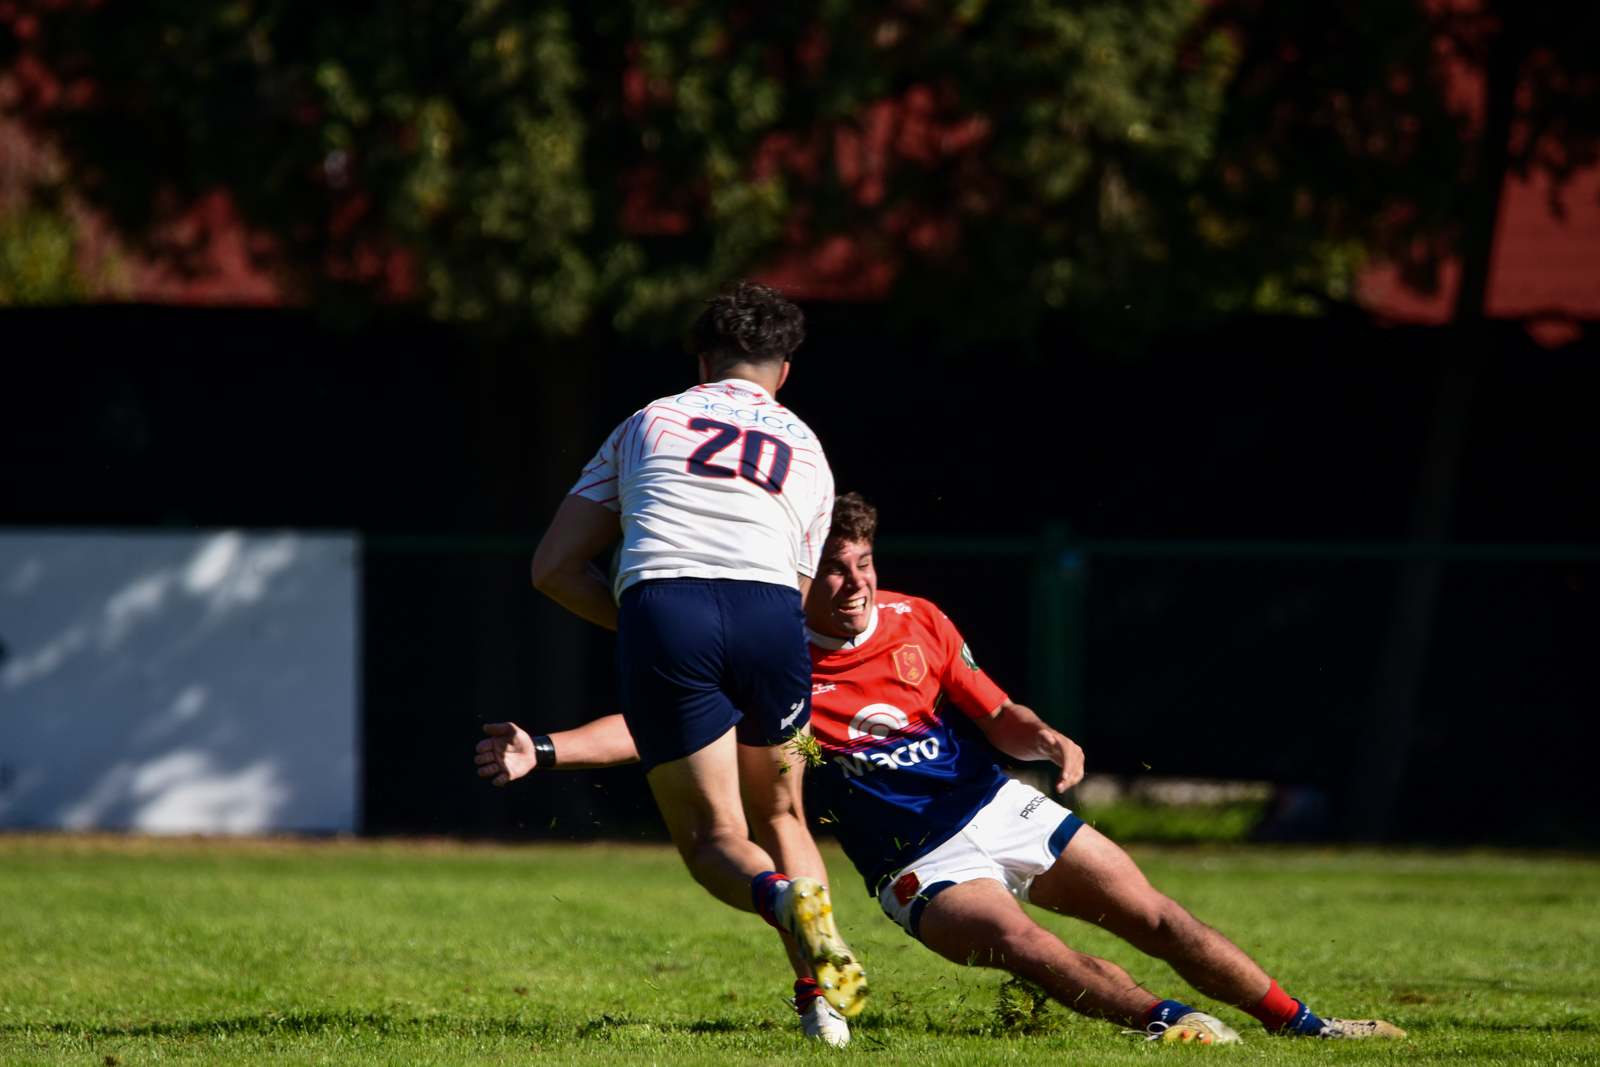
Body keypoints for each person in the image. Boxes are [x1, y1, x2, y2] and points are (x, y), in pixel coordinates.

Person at [482, 493, 1405, 1047]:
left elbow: (994, 711)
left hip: (1001, 805)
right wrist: (549, 746)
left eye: (865, 563)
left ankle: (1305, 1024)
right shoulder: (770, 661)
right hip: (919, 865)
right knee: (1028, 947)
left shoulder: (919, 618)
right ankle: (1167, 1024)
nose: (856, 585)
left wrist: (1045, 737)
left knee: (1157, 911)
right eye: (834, 572)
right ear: (794, 579)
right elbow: (658, 727)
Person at [518, 281, 866, 1023]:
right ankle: (823, 1006)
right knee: (783, 816)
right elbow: (798, 590)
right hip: (771, 618)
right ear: (785, 370)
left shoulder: (650, 420)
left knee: (715, 840)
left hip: (665, 607)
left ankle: (779, 897)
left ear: (703, 361)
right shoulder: (807, 444)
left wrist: (646, 630)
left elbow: (551, 567)